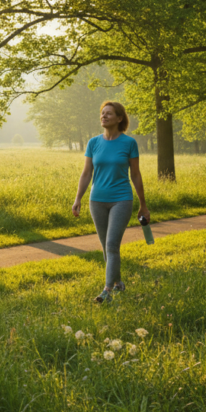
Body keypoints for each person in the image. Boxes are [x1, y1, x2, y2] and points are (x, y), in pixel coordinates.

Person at [71, 100, 149, 303]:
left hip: (121, 199)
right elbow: (86, 173)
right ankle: (118, 283)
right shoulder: (93, 143)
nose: (103, 116)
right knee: (106, 247)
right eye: (102, 113)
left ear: (119, 118)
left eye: (109, 113)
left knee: (112, 244)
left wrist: (143, 204)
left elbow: (136, 175)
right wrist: (78, 198)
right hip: (97, 200)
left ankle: (107, 291)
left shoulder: (129, 143)